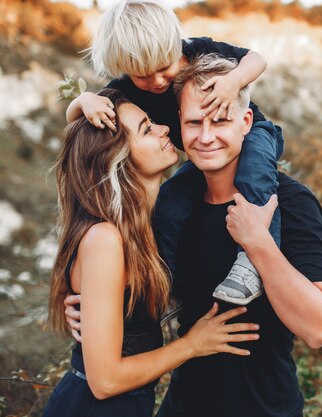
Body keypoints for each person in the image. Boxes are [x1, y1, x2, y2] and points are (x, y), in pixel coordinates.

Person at [66, 55, 322, 417]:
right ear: (178, 124)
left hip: (264, 408)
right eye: (194, 122)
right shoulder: (170, 209)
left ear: (246, 122)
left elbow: (318, 330)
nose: (206, 136)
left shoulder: (289, 202)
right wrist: (92, 305)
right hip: (182, 405)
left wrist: (258, 242)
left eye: (220, 120)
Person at [45, 89, 260, 417]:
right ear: (115, 157)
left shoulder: (148, 226)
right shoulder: (105, 238)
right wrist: (192, 345)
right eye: (147, 129)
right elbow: (105, 380)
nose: (164, 129)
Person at [66, 0, 279, 305]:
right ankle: (164, 274)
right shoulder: (125, 88)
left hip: (253, 136)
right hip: (202, 158)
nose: (156, 81)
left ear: (174, 47)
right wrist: (84, 101)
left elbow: (256, 59)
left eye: (164, 68)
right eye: (142, 75)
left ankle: (251, 265)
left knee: (257, 181)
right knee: (171, 199)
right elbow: (74, 121)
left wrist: (234, 81)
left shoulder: (198, 50)